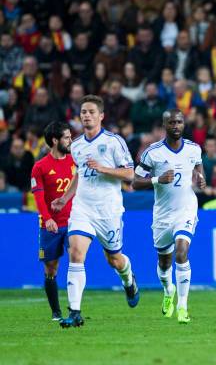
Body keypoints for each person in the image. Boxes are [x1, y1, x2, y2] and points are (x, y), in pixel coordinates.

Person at [50, 95, 138, 328]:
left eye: (90, 112)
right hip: (83, 209)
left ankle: (129, 279)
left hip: (108, 211)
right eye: (83, 112)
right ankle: (75, 312)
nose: (86, 115)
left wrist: (103, 168)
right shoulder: (76, 145)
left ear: (101, 116)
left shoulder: (113, 142)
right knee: (76, 254)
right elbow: (79, 174)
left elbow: (130, 174)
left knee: (114, 260)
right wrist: (65, 198)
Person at [133, 109, 206, 324]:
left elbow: (198, 165)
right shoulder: (152, 152)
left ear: (184, 124)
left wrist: (200, 177)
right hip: (163, 214)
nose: (176, 126)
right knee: (164, 264)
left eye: (180, 122)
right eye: (172, 122)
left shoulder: (193, 148)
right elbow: (135, 182)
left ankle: (183, 307)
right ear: (165, 125)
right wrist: (157, 179)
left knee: (182, 253)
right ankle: (168, 290)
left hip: (186, 208)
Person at [31, 121, 74, 321]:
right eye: (67, 137)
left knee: (77, 258)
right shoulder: (40, 167)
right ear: (55, 140)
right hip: (51, 225)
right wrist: (47, 219)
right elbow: (38, 196)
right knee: (51, 268)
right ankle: (56, 312)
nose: (71, 140)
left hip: (74, 221)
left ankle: (75, 310)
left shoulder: (76, 161)